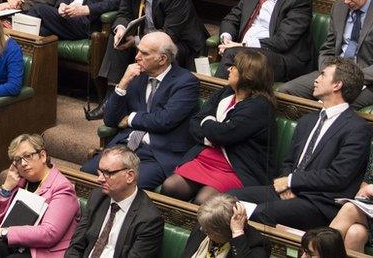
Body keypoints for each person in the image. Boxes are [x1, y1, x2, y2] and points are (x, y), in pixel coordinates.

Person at [231, 59, 372, 229]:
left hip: (320, 203)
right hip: (287, 193)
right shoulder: (307, 120)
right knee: (227, 200)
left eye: (323, 75)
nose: (316, 79)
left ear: (337, 85)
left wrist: (292, 181)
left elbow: (338, 176)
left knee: (257, 213)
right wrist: (286, 185)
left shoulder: (357, 128)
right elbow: (289, 162)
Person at [82, 33, 200, 190]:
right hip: (125, 147)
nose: (137, 57)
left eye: (144, 54)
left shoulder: (186, 83)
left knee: (126, 186)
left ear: (162, 59)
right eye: (138, 51)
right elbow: (110, 120)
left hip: (157, 154)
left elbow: (164, 120)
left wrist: (130, 118)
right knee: (86, 174)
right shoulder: (136, 75)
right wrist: (122, 84)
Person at [162, 49, 276, 203]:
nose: (229, 69)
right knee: (171, 186)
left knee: (204, 200)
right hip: (205, 159)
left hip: (235, 168)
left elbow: (224, 134)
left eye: (234, 67)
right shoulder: (226, 92)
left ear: (247, 75)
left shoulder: (260, 106)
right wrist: (212, 134)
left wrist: (208, 122)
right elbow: (195, 122)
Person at [97, 0, 207, 88]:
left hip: (181, 44)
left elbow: (168, 36)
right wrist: (121, 29)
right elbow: (124, 13)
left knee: (158, 52)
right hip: (147, 36)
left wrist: (136, 41)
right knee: (117, 39)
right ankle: (112, 94)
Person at [0, 133, 79, 257]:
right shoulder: (20, 182)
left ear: (42, 156)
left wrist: (4, 232)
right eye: (17, 160)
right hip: (14, 242)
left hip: (39, 250)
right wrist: (6, 187)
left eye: (27, 156)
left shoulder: (62, 187)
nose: (23, 163)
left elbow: (49, 234)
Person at [280, 0, 373, 107]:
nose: (346, 0)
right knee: (286, 92)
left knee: (337, 104)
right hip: (334, 73)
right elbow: (328, 48)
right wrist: (327, 72)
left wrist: (347, 78)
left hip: (367, 80)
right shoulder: (339, 7)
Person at [214, 0, 313, 80]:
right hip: (243, 51)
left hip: (280, 58)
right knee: (234, 53)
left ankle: (214, 97)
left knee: (234, 54)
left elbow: (282, 41)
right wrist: (226, 39)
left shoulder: (298, 1)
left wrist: (242, 46)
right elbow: (231, 19)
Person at [64, 146, 163, 258]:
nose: (100, 179)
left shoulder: (149, 219)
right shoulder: (97, 197)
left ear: (130, 176)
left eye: (108, 173)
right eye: (100, 172)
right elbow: (76, 246)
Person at [181, 194, 269, 258]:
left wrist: (237, 233)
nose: (202, 229)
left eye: (208, 231)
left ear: (223, 232)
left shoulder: (256, 245)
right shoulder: (203, 226)